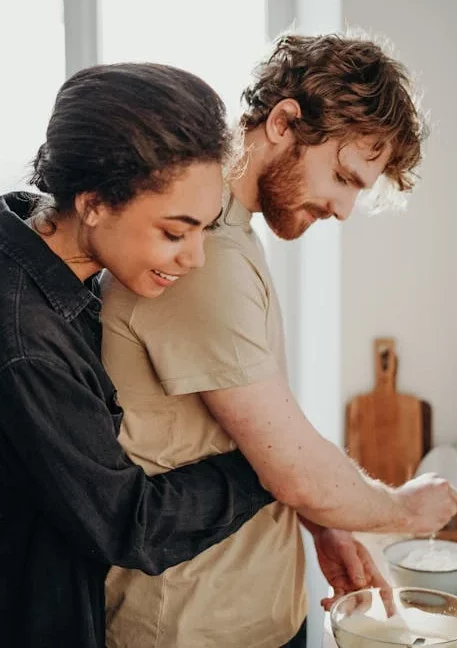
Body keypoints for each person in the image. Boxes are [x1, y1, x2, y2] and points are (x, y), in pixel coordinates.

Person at [102, 35, 457, 648]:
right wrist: (404, 510)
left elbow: (255, 429)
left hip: (246, 611)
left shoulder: (231, 236)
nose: (345, 210)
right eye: (344, 177)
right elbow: (292, 470)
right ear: (284, 121)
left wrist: (327, 524)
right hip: (194, 627)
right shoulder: (204, 252)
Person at [0, 63, 283, 648]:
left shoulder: (30, 226)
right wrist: (271, 464)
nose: (197, 258)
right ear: (96, 203)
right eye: (175, 233)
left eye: (205, 230)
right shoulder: (28, 341)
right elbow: (128, 522)